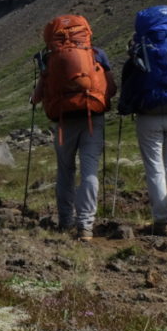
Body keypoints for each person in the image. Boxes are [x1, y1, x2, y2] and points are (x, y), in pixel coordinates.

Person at [30, 15, 117, 242]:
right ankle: (85, 226)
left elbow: (37, 96)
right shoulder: (96, 54)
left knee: (65, 172)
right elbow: (112, 87)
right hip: (92, 118)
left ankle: (66, 222)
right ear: (86, 33)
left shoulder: (50, 58)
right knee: (89, 172)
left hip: (62, 121)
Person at [117, 5, 167, 236]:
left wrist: (124, 108)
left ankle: (162, 222)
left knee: (155, 169)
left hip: (149, 115)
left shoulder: (141, 50)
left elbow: (130, 84)